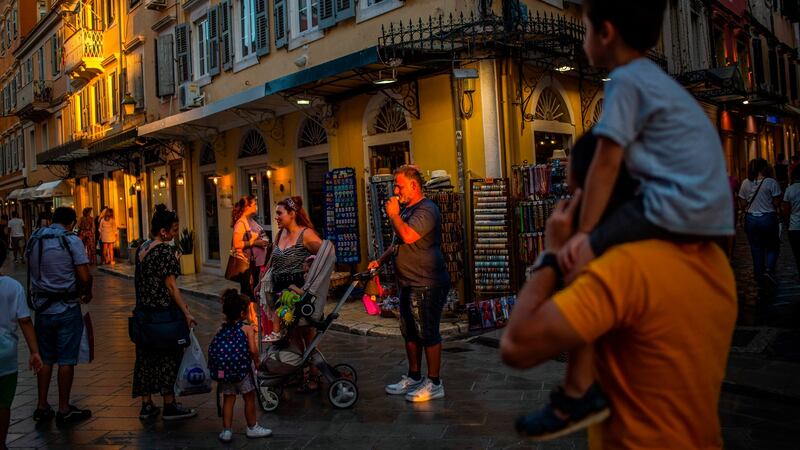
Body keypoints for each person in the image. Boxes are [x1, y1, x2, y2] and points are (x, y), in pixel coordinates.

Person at [554, 0, 734, 421]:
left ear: (607, 33)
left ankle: (579, 388)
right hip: (707, 218)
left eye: (585, 31)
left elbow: (605, 163)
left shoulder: (627, 80)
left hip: (674, 209)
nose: (582, 43)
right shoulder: (656, 81)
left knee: (579, 263)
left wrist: (586, 233)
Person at [501, 134, 737, 447]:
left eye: (572, 196)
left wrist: (552, 256)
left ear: (595, 196)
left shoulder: (624, 271)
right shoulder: (711, 256)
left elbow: (517, 345)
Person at [369, 165, 450, 403]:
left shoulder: (427, 210)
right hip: (408, 282)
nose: (395, 190)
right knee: (410, 332)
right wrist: (380, 261)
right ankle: (414, 376)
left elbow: (409, 236)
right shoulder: (408, 210)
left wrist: (393, 214)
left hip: (426, 281)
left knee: (428, 332)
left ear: (414, 186)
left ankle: (434, 383)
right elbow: (398, 244)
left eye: (399, 185)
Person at [27, 207, 93, 426]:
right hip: (66, 306)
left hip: (42, 308)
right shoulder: (71, 240)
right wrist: (86, 292)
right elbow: (84, 275)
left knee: (45, 357)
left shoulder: (34, 239)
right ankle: (64, 409)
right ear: (72, 222)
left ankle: (42, 405)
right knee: (66, 359)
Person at [132, 205, 197, 421]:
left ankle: (146, 403)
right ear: (163, 231)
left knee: (145, 358)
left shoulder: (143, 248)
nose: (175, 234)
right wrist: (185, 311)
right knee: (168, 357)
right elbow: (171, 286)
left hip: (144, 314)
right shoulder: (164, 252)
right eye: (174, 229)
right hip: (163, 314)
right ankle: (169, 403)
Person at [212, 289, 272, 443]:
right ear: (243, 313)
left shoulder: (220, 329)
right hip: (243, 371)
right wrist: (257, 363)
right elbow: (253, 350)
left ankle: (226, 431)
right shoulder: (247, 329)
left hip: (225, 372)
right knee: (249, 398)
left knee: (228, 399)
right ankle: (252, 427)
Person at [1, 240, 44, 448]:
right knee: (3, 402)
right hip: (6, 353)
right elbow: (25, 321)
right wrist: (34, 352)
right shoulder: (13, 287)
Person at [264, 197, 321, 351]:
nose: (276, 217)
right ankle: (300, 367)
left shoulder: (306, 234)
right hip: (279, 290)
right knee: (291, 332)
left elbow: (325, 255)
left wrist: (310, 264)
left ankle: (313, 370)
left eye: (279, 213)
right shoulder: (280, 233)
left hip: (296, 290)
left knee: (306, 332)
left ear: (292, 214)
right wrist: (260, 283)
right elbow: (273, 258)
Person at [739, 158, 782, 285]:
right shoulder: (771, 182)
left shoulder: (745, 183)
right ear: (764, 168)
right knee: (773, 246)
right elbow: (776, 201)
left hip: (751, 219)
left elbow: (742, 203)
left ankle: (759, 273)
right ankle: (768, 269)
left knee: (756, 247)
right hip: (767, 217)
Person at [230, 196, 270, 302]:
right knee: (249, 294)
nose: (256, 206)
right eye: (254, 204)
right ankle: (250, 316)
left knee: (253, 292)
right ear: (247, 207)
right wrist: (257, 242)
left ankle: (253, 316)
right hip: (249, 264)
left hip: (256, 263)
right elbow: (237, 244)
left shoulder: (250, 220)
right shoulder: (241, 223)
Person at [783, 164, 800, 278]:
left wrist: (786, 224)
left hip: (795, 227)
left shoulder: (789, 190)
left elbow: (786, 211)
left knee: (797, 254)